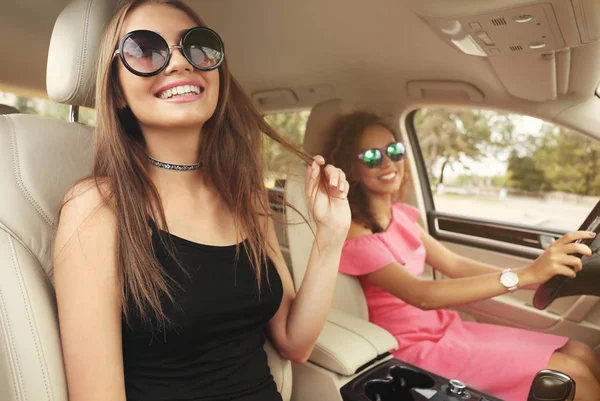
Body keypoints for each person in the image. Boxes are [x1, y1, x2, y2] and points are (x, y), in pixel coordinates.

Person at [52, 2, 351, 401]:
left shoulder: (242, 196)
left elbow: (295, 344)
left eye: (197, 46)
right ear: (118, 93)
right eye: (144, 49)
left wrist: (330, 238)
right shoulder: (97, 206)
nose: (178, 62)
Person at [324, 110, 600, 401]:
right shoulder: (356, 235)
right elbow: (421, 294)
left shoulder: (402, 216)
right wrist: (526, 275)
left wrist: (539, 275)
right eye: (371, 157)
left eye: (395, 150)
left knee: (580, 351)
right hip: (411, 347)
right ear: (351, 169)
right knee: (571, 375)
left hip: (447, 328)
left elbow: (454, 264)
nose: (389, 162)